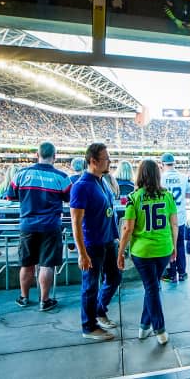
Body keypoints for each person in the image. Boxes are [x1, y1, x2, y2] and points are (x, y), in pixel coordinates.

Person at [117, 159, 177, 345]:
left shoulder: (134, 198)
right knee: (152, 287)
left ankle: (159, 329)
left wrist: (120, 252)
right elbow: (174, 224)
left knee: (151, 288)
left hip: (142, 252)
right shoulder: (167, 196)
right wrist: (174, 247)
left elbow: (127, 229)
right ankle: (144, 327)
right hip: (163, 249)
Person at [6, 142, 71, 312]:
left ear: (37, 154)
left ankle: (24, 297)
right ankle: (45, 300)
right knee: (46, 264)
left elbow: (10, 197)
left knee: (27, 264)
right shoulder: (62, 177)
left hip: (27, 225)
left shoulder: (21, 174)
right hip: (50, 226)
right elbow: (69, 198)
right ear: (54, 157)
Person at [70, 143, 122, 341]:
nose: (109, 161)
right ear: (93, 161)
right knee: (90, 285)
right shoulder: (81, 186)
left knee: (115, 277)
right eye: (106, 158)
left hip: (108, 240)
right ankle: (89, 326)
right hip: (93, 244)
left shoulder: (102, 181)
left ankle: (99, 311)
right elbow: (76, 221)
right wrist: (82, 253)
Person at [160, 152, 190, 283]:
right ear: (174, 163)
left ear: (162, 164)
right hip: (180, 216)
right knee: (180, 245)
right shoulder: (184, 177)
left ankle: (172, 274)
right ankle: (183, 272)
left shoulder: (160, 178)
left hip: (166, 218)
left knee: (169, 246)